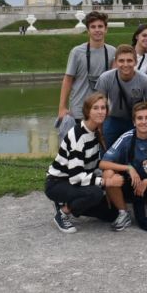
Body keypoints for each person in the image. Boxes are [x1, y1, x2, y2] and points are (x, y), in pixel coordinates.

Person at [45, 93, 121, 234]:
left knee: (111, 214)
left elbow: (95, 163)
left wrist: (125, 168)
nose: (100, 111)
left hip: (77, 181)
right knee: (95, 193)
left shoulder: (94, 131)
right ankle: (62, 213)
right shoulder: (78, 135)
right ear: (87, 111)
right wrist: (107, 182)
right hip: (58, 183)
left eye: (103, 108)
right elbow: (76, 177)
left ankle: (70, 203)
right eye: (95, 108)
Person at [99, 102, 147, 231]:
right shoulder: (126, 137)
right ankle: (123, 212)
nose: (144, 122)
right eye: (140, 118)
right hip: (129, 181)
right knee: (108, 173)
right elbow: (102, 163)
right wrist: (129, 168)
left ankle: (145, 203)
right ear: (134, 122)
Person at [57, 11, 115, 139]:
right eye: (93, 27)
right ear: (88, 30)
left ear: (106, 29)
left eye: (100, 26)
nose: (97, 30)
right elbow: (68, 80)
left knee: (99, 146)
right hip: (79, 110)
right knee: (78, 146)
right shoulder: (77, 52)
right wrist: (62, 107)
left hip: (101, 111)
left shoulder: (112, 52)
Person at [95, 45, 147, 148]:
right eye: (121, 61)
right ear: (116, 62)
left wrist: (144, 126)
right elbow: (99, 106)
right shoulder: (105, 78)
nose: (125, 64)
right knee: (106, 150)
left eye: (129, 61)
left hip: (135, 119)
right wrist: (100, 130)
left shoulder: (145, 80)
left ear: (135, 62)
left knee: (138, 149)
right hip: (113, 119)